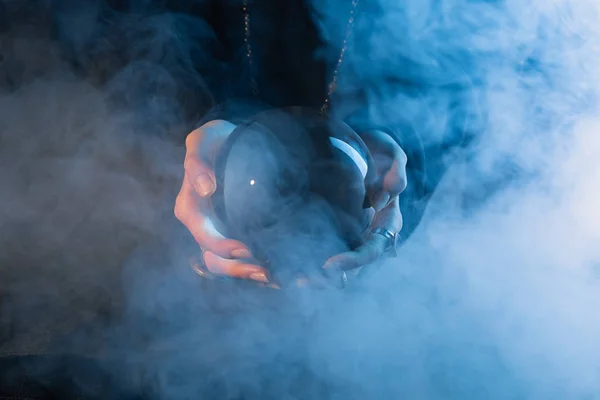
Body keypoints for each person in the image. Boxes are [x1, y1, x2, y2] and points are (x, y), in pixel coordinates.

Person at [173, 0, 417, 286]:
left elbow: (456, 92)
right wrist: (194, 152)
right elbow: (131, 59)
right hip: (174, 278)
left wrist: (400, 151)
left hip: (364, 284)